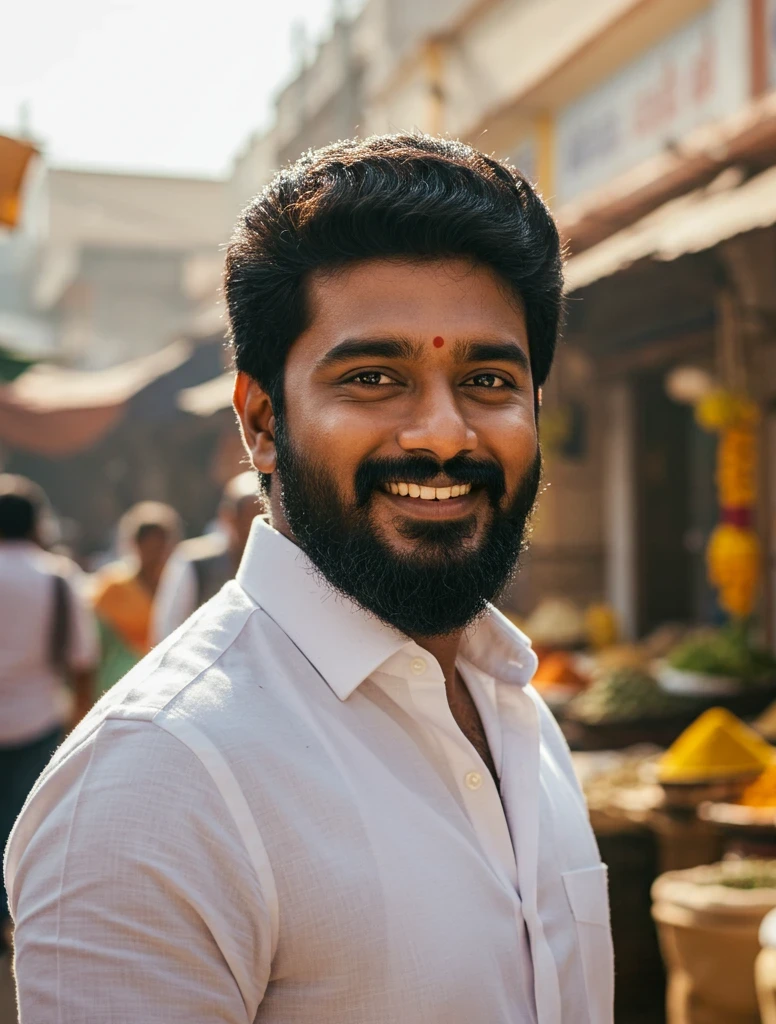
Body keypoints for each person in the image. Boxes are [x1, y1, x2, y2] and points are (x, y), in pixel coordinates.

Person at [5, 134, 612, 1024]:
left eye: (487, 379)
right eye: (374, 378)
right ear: (260, 422)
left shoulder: (515, 709)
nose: (444, 434)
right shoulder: (156, 785)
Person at [0, 475, 98, 945]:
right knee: (28, 829)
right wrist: (78, 727)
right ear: (37, 523)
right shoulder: (58, 577)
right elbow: (83, 661)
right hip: (40, 724)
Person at [149, 471, 262, 642]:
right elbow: (167, 630)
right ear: (228, 517)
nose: (256, 526)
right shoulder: (194, 562)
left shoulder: (277, 565)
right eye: (249, 517)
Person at [91, 501, 181, 694]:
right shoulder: (112, 587)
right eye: (149, 544)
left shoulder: (180, 586)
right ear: (135, 544)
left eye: (162, 545)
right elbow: (94, 647)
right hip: (116, 688)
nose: (156, 553)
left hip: (166, 688)